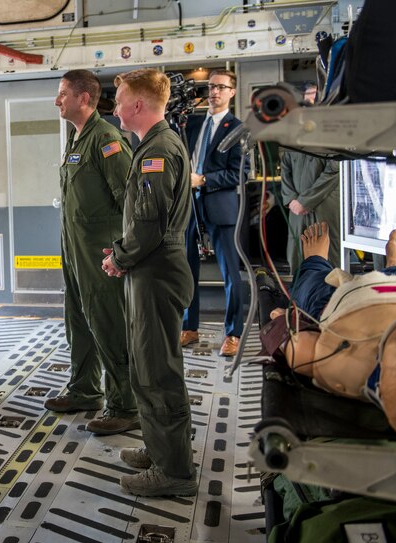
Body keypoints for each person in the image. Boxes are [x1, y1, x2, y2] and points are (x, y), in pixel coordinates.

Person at [102, 69, 196, 497]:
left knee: (158, 372)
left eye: (120, 99)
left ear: (138, 105)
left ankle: (174, 471)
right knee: (149, 366)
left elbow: (147, 222)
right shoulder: (158, 143)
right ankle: (162, 450)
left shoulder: (157, 150)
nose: (116, 107)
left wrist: (120, 257)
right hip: (152, 270)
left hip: (155, 272)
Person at [263, 222, 396, 438]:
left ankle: (392, 267)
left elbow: (299, 348)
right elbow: (298, 347)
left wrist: (285, 322)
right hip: (371, 300)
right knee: (314, 287)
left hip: (368, 299)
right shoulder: (350, 368)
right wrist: (285, 323)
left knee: (313, 282)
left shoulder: (348, 367)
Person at [43, 70, 139, 435]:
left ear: (85, 99)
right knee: (78, 320)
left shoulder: (107, 139)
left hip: (100, 253)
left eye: (63, 94)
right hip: (74, 249)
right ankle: (84, 389)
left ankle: (124, 404)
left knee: (109, 324)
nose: (58, 101)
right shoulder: (76, 137)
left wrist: (121, 251)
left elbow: (130, 200)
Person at [181, 69, 250, 357]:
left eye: (221, 87)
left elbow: (239, 173)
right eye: (211, 86)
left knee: (231, 274)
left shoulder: (238, 129)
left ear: (232, 93)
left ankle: (232, 333)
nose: (215, 92)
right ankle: (189, 326)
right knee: (186, 270)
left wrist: (205, 180)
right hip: (190, 207)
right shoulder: (193, 124)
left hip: (220, 207)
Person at [279, 83, 340, 273]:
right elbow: (285, 167)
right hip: (296, 210)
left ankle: (329, 301)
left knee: (327, 260)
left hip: (323, 207)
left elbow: (334, 169)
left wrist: (306, 201)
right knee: (297, 257)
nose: (310, 102)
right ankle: (299, 301)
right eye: (307, 98)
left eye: (315, 96)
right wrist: (291, 200)